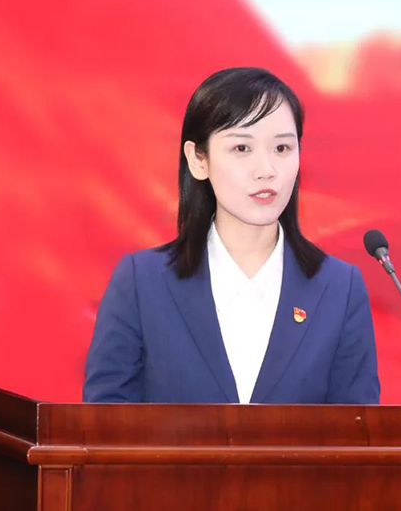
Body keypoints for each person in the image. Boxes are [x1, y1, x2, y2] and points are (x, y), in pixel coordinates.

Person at [82, 67, 380, 404]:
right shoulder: (141, 282)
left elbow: (356, 427)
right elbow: (104, 422)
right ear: (199, 160)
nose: (266, 170)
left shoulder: (340, 287)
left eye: (282, 148)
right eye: (241, 148)